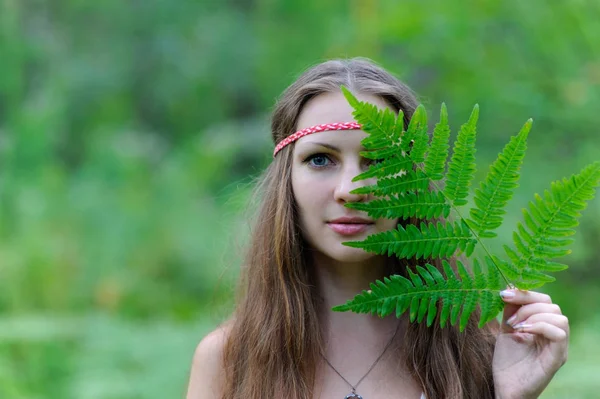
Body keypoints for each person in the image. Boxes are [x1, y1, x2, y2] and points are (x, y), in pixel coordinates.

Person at [186, 58, 569, 399]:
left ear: (415, 181)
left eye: (380, 161)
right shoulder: (229, 359)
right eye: (321, 160)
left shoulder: (479, 345)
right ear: (287, 179)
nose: (351, 190)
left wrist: (511, 397)